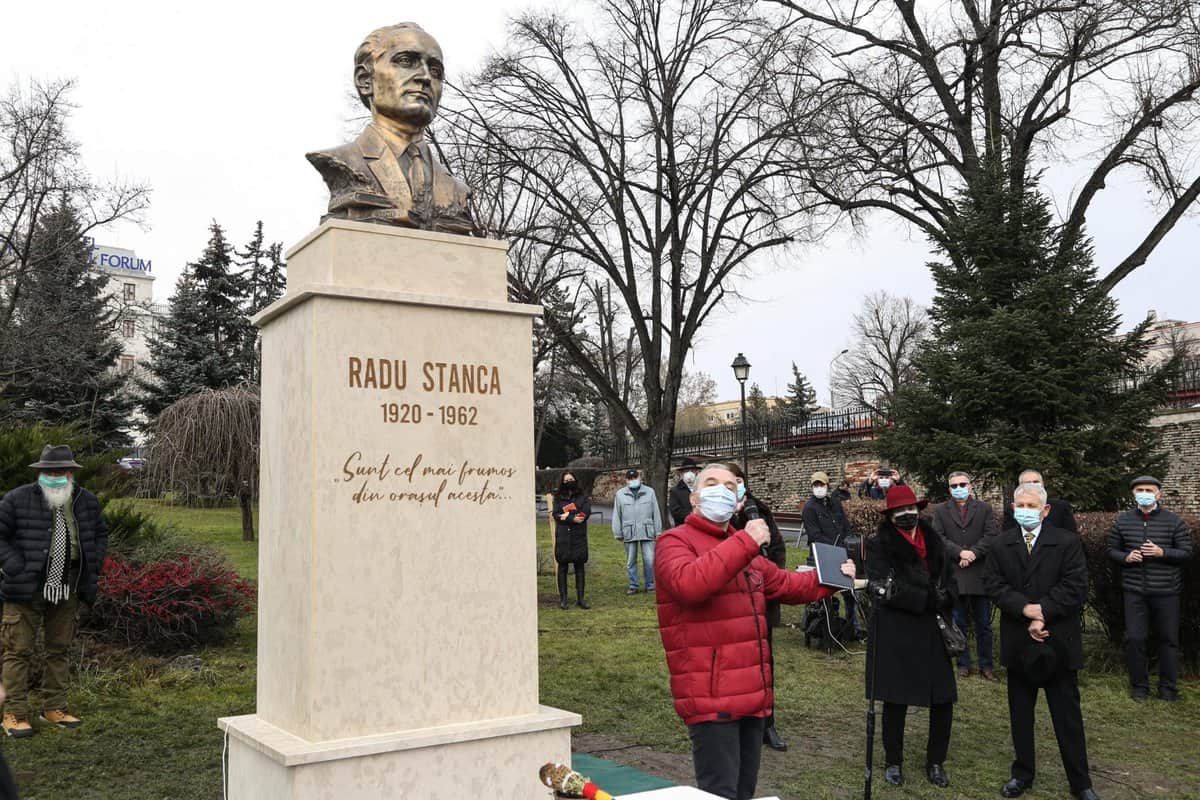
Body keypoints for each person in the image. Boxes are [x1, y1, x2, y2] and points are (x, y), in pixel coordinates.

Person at [655, 464, 855, 800]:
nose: (721, 489)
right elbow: (690, 584)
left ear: (738, 501)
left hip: (752, 694)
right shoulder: (674, 542)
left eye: (730, 485)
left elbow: (785, 584)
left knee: (745, 790)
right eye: (712, 483)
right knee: (720, 792)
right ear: (694, 498)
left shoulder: (741, 546)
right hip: (710, 694)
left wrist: (833, 576)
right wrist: (747, 540)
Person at [985, 483, 1098, 800]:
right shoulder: (1001, 544)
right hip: (1018, 642)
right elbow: (993, 584)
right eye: (1020, 505)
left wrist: (1042, 612)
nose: (1025, 510)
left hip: (1057, 640)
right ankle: (1022, 774)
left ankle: (1081, 782)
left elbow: (1076, 586)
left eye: (1032, 505)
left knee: (1067, 716)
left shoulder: (1067, 542)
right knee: (1021, 714)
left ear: (1046, 510)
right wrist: (1023, 608)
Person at [307, 22, 473, 233]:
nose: (425, 77)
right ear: (365, 80)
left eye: (435, 71)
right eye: (406, 61)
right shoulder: (345, 162)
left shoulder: (456, 190)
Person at [0, 445, 107, 738]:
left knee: (59, 649)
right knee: (17, 651)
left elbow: (99, 534)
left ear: (71, 472)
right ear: (40, 472)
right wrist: (15, 566)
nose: (55, 476)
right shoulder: (16, 499)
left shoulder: (86, 501)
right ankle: (14, 713)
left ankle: (54, 707)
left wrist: (93, 564)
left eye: (61, 471)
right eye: (50, 471)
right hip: (25, 588)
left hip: (68, 586)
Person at [864, 485, 957, 789]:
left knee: (943, 698)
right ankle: (894, 761)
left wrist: (946, 596)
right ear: (890, 515)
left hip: (933, 627)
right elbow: (882, 588)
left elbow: (948, 578)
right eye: (899, 511)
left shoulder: (934, 540)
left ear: (919, 509)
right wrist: (927, 598)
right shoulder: (879, 544)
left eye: (910, 509)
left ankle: (936, 761)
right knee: (896, 699)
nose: (906, 514)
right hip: (897, 629)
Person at [1106, 475, 1193, 701]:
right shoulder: (1123, 521)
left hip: (1167, 591)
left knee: (1168, 640)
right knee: (1135, 639)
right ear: (1134, 494)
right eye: (1140, 490)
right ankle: (1139, 687)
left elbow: (1186, 552)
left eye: (1149, 489)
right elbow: (1111, 551)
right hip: (1134, 591)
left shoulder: (1173, 521)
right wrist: (1126, 557)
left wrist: (1162, 552)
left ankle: (1168, 689)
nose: (1144, 493)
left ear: (1158, 494)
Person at [727, 463, 788, 753]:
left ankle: (767, 723)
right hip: (728, 602)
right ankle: (736, 721)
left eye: (739, 480)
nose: (735, 485)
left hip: (761, 598)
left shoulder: (759, 510)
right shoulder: (719, 515)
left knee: (764, 664)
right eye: (730, 481)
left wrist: (770, 578)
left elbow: (777, 549)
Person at [930, 470, 999, 680]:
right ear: (949, 488)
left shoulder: (985, 509)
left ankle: (986, 665)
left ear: (970, 486)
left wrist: (973, 553)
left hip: (979, 573)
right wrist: (959, 552)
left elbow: (991, 535)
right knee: (958, 623)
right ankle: (963, 663)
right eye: (954, 486)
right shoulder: (941, 510)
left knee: (984, 624)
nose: (959, 488)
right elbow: (938, 537)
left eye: (962, 484)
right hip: (955, 573)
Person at [802, 470, 862, 639]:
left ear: (827, 485)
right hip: (821, 555)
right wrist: (833, 549)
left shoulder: (835, 503)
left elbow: (845, 526)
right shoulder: (809, 508)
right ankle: (818, 625)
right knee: (819, 592)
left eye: (822, 484)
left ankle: (853, 627)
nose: (819, 488)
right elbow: (814, 535)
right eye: (816, 485)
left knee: (850, 591)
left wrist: (847, 543)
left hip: (842, 552)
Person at [612, 468, 662, 594]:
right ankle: (633, 585)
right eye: (630, 478)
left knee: (649, 560)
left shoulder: (650, 492)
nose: (633, 480)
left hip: (647, 530)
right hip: (629, 531)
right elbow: (617, 514)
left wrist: (658, 531)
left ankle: (650, 585)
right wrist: (617, 532)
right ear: (626, 480)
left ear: (640, 478)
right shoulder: (620, 494)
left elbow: (655, 512)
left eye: (635, 478)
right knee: (630, 561)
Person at [552, 472, 592, 610]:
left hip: (578, 537)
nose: (569, 481)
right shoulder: (558, 497)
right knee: (562, 567)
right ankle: (563, 599)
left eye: (571, 479)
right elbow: (556, 514)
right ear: (562, 482)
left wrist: (569, 516)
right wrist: (571, 518)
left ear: (575, 480)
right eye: (566, 480)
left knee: (579, 567)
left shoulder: (582, 496)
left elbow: (585, 512)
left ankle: (581, 599)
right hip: (563, 537)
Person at [1002, 469, 1077, 533]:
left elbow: (1071, 535)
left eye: (1036, 482)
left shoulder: (1060, 507)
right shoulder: (1012, 510)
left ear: (1043, 484)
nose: (1033, 485)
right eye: (1028, 483)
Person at [669, 457, 700, 526]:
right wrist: (695, 515)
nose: (689, 474)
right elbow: (676, 513)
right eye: (686, 471)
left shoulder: (701, 489)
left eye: (692, 471)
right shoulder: (675, 491)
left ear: (696, 472)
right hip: (683, 527)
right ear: (681, 473)